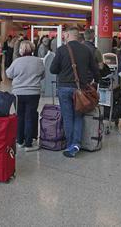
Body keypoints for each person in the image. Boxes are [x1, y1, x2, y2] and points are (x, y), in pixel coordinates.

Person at [50, 27, 100, 158]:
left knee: (67, 117)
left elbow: (53, 69)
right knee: (78, 116)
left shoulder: (61, 50)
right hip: (80, 89)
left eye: (65, 34)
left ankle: (70, 144)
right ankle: (76, 144)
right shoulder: (87, 50)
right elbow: (95, 70)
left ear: (67, 35)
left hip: (64, 88)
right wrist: (93, 82)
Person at [6, 40, 45, 152]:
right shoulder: (38, 61)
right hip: (33, 93)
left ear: (21, 50)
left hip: (18, 93)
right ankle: (29, 144)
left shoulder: (17, 61)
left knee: (19, 116)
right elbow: (43, 75)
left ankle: (20, 141)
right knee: (30, 117)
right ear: (32, 49)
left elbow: (9, 74)